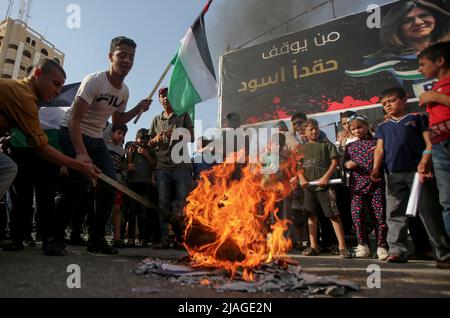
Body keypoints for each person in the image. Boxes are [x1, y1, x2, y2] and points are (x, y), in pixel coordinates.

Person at [58, 36, 152, 254]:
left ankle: (97, 239)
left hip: (96, 137)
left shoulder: (124, 92)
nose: (127, 60)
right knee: (77, 183)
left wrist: (138, 108)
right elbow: (74, 120)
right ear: (111, 57)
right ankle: (55, 235)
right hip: (72, 132)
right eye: (122, 55)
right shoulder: (94, 81)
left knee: (110, 184)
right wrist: (81, 154)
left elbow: (118, 121)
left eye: (131, 57)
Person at [371, 87, 450, 268]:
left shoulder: (417, 118)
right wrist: (376, 168)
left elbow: (429, 142)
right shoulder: (382, 127)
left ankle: (443, 252)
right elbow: (380, 149)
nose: (387, 106)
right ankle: (397, 251)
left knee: (428, 211)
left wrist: (425, 159)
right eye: (384, 104)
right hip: (392, 174)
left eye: (391, 101)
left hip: (417, 173)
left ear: (404, 99)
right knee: (394, 214)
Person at [298, 119, 352, 258]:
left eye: (316, 128)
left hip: (325, 186)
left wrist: (326, 177)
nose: (314, 131)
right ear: (303, 133)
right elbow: (299, 166)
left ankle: (342, 247)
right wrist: (302, 178)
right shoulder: (301, 148)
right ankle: (313, 245)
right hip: (309, 188)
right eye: (310, 129)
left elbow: (334, 162)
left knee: (333, 215)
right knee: (312, 216)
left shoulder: (327, 145)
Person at [149, 86, 194, 249]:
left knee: (181, 203)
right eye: (162, 95)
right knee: (163, 203)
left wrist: (176, 134)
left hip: (182, 167)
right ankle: (164, 239)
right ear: (159, 100)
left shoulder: (183, 115)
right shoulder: (156, 120)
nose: (165, 97)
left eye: (167, 94)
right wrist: (156, 138)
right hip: (162, 167)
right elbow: (149, 143)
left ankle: (181, 239)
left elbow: (192, 136)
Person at [345, 115, 388, 259]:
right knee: (357, 215)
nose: (357, 131)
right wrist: (347, 164)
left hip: (375, 184)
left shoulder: (377, 142)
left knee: (379, 215)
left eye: (359, 127)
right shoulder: (349, 146)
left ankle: (382, 246)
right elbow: (344, 163)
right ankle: (362, 245)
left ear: (366, 126)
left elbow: (383, 157)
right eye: (353, 129)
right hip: (357, 186)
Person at [418, 41, 450, 237]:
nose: (420, 69)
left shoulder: (437, 91)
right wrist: (428, 153)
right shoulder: (435, 87)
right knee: (446, 201)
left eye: (423, 64)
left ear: (440, 61)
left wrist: (438, 98)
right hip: (439, 146)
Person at [127, 128, 160, 246]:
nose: (145, 140)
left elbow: (155, 165)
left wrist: (146, 155)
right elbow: (128, 166)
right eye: (142, 138)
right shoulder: (131, 148)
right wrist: (130, 154)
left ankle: (142, 238)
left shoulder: (151, 151)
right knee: (131, 211)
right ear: (137, 138)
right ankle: (130, 238)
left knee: (143, 212)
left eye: (147, 138)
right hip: (132, 183)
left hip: (146, 184)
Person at [105, 124, 128, 248]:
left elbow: (120, 166)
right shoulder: (104, 145)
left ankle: (117, 237)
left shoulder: (122, 151)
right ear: (112, 132)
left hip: (117, 181)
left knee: (117, 209)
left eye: (123, 134)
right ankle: (97, 235)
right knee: (102, 208)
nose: (121, 136)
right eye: (119, 133)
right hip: (104, 180)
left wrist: (127, 166)